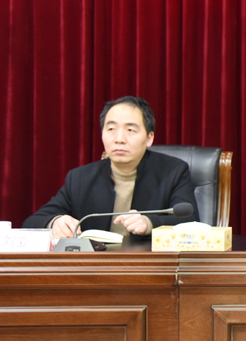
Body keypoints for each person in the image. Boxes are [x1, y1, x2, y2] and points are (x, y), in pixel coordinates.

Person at [23, 96, 198, 238]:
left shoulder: (174, 172)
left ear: (149, 138)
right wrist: (55, 222)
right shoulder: (80, 178)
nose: (119, 139)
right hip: (93, 265)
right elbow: (33, 221)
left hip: (148, 264)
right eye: (111, 129)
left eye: (130, 130)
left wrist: (149, 223)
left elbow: (192, 221)